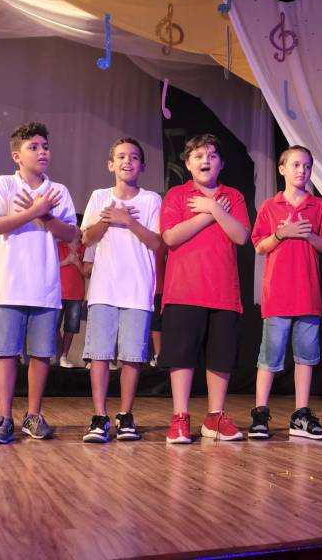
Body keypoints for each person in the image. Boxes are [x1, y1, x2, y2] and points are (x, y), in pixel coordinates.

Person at [0, 122, 77, 444]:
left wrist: (45, 215)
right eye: (33, 147)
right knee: (6, 354)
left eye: (45, 146)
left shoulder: (58, 191)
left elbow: (71, 234)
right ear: (17, 155)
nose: (42, 152)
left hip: (44, 285)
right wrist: (35, 210)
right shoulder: (4, 184)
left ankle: (33, 416)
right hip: (8, 285)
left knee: (40, 355)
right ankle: (4, 418)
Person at [159, 133, 250, 444]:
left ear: (221, 164)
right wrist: (209, 214)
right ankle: (180, 417)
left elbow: (241, 236)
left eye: (212, 156)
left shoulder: (232, 197)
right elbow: (170, 237)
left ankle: (215, 417)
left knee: (220, 357)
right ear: (188, 163)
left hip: (223, 292)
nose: (205, 161)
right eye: (198, 156)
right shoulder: (177, 195)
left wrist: (215, 207)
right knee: (182, 356)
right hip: (184, 290)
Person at [249, 145, 322, 440]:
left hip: (308, 295)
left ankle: (301, 415)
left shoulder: (319, 207)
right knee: (270, 356)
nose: (302, 170)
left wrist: (307, 234)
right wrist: (280, 234)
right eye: (296, 165)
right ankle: (260, 412)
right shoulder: (270, 206)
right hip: (277, 295)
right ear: (282, 169)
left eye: (307, 166)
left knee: (306, 357)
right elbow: (259, 246)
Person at [81, 138, 161, 443]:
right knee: (99, 355)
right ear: (111, 164)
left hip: (138, 288)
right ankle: (99, 416)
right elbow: (86, 239)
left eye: (134, 157)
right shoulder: (99, 196)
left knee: (132, 356)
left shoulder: (151, 200)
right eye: (121, 157)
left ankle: (126, 415)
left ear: (142, 166)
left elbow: (156, 242)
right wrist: (107, 219)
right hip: (104, 287)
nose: (128, 161)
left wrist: (127, 220)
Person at [57, 214, 86, 368]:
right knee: (53, 326)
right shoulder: (59, 245)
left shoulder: (84, 248)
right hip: (58, 293)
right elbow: (49, 266)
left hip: (76, 294)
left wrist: (77, 263)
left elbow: (87, 272)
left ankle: (63, 356)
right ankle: (55, 354)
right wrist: (66, 261)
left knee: (71, 327)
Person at [149, 241, 166, 368]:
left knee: (159, 323)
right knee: (155, 323)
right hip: (148, 287)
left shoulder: (163, 240)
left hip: (164, 287)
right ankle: (157, 355)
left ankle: (160, 356)